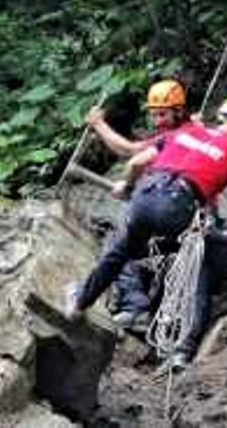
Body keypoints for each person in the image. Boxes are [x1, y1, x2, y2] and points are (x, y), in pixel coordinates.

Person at [68, 97, 227, 364]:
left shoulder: (184, 132)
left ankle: (79, 302)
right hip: (180, 209)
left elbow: (135, 163)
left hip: (144, 200)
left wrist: (127, 187)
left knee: (120, 251)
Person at [85, 79, 197, 331]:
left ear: (179, 111)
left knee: (118, 244)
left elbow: (131, 153)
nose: (157, 120)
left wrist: (98, 125)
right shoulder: (190, 131)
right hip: (183, 217)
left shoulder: (176, 135)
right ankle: (142, 303)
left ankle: (135, 309)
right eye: (154, 114)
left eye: (163, 114)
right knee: (129, 238)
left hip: (178, 221)